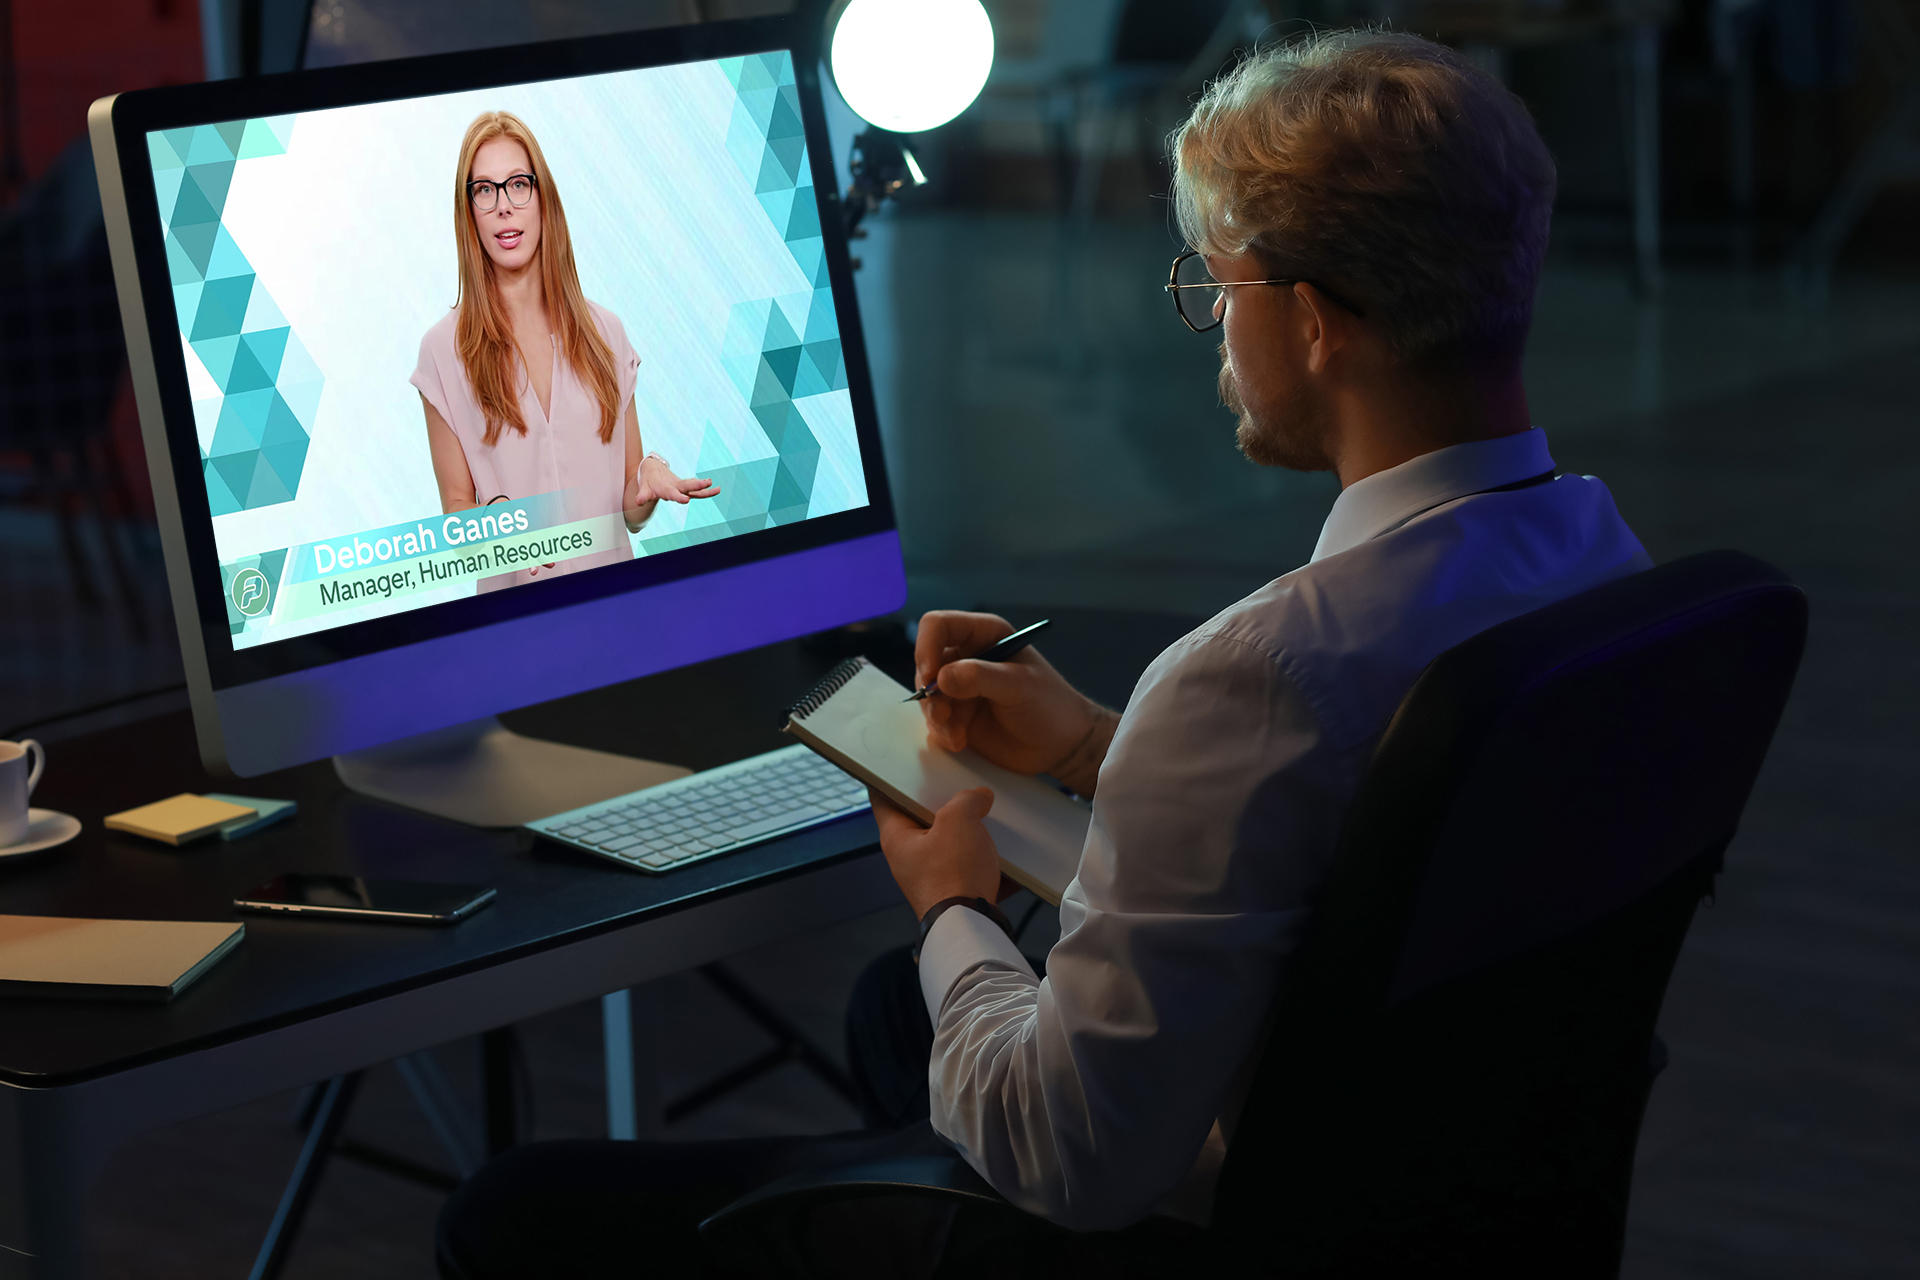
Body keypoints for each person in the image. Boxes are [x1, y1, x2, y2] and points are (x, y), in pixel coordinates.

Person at [434, 31, 1652, 1277]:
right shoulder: (1601, 558)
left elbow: (1069, 1154)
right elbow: (1375, 843)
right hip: (1435, 1174)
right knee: (891, 1009)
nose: (1214, 329)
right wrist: (1096, 748)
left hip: (1184, 1214)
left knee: (516, 1211)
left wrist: (951, 900)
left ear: (1318, 324)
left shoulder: (1263, 670)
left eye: (1218, 289)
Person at [412, 111, 719, 594]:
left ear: (542, 199)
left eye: (518, 184)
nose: (503, 207)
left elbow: (630, 512)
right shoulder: (441, 352)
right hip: (519, 629)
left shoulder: (606, 333)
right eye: (484, 190)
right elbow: (457, 515)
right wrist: (496, 528)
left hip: (617, 614)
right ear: (468, 210)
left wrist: (649, 480)